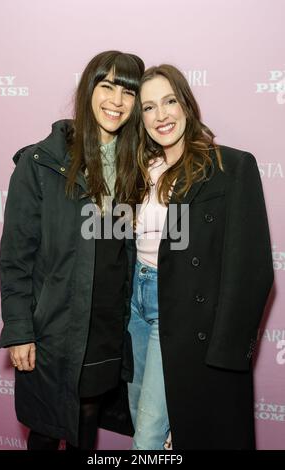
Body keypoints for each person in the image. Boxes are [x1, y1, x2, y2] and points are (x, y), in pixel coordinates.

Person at [0, 50, 144, 450]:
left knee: (86, 425)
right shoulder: (40, 163)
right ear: (88, 89)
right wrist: (19, 330)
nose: (116, 100)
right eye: (107, 85)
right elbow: (15, 258)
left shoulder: (138, 167)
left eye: (128, 92)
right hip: (52, 330)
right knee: (45, 431)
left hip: (105, 331)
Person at [126, 64, 274, 450]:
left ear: (187, 105)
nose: (161, 115)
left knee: (147, 436)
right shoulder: (140, 170)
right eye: (148, 107)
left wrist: (224, 353)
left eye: (169, 101)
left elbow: (251, 269)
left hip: (178, 312)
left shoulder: (228, 167)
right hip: (132, 309)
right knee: (143, 421)